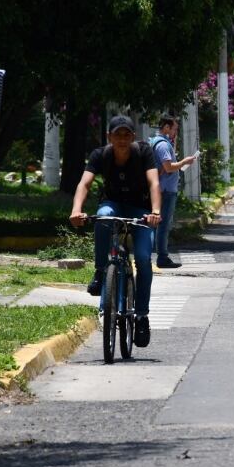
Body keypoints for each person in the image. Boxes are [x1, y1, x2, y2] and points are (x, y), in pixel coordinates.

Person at [69, 115, 161, 347]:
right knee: (103, 217)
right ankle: (101, 271)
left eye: (126, 134)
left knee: (143, 258)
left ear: (133, 136)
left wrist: (156, 211)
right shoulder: (100, 155)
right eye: (117, 134)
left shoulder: (143, 152)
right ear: (109, 136)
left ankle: (141, 316)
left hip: (141, 209)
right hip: (113, 204)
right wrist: (76, 210)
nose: (122, 139)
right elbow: (84, 183)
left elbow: (154, 183)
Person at [151, 114, 195, 269]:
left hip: (163, 188)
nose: (176, 132)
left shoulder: (159, 142)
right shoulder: (163, 145)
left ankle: (158, 255)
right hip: (165, 190)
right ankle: (162, 257)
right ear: (166, 127)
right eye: (174, 129)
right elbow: (168, 167)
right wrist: (184, 162)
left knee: (159, 223)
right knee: (163, 225)